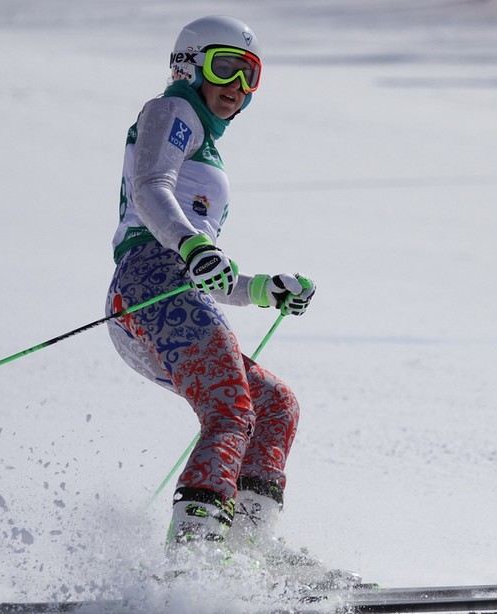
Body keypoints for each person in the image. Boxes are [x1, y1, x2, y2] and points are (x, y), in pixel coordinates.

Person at [104, 15, 349, 586]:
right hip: (150, 283)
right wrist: (189, 243)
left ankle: (247, 553)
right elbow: (150, 191)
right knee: (232, 409)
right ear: (188, 65)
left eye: (251, 74)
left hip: (174, 290)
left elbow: (211, 275)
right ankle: (193, 564)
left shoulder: (205, 148)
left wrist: (264, 288)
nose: (237, 85)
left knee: (275, 406)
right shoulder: (172, 110)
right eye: (225, 66)